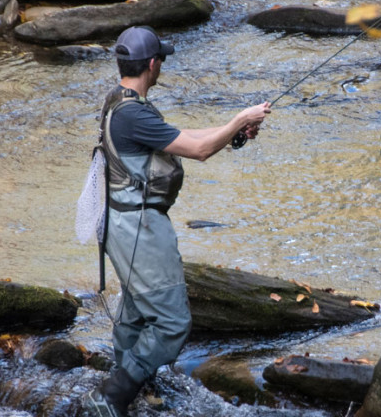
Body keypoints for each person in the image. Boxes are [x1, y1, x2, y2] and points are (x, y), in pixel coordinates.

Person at [84, 26, 271, 417]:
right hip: (139, 229)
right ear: (153, 65)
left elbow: (183, 137)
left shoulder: (120, 102)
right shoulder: (133, 114)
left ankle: (129, 380)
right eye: (161, 60)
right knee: (171, 323)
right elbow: (199, 149)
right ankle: (113, 394)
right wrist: (239, 118)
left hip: (123, 224)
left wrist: (234, 130)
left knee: (136, 311)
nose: (162, 65)